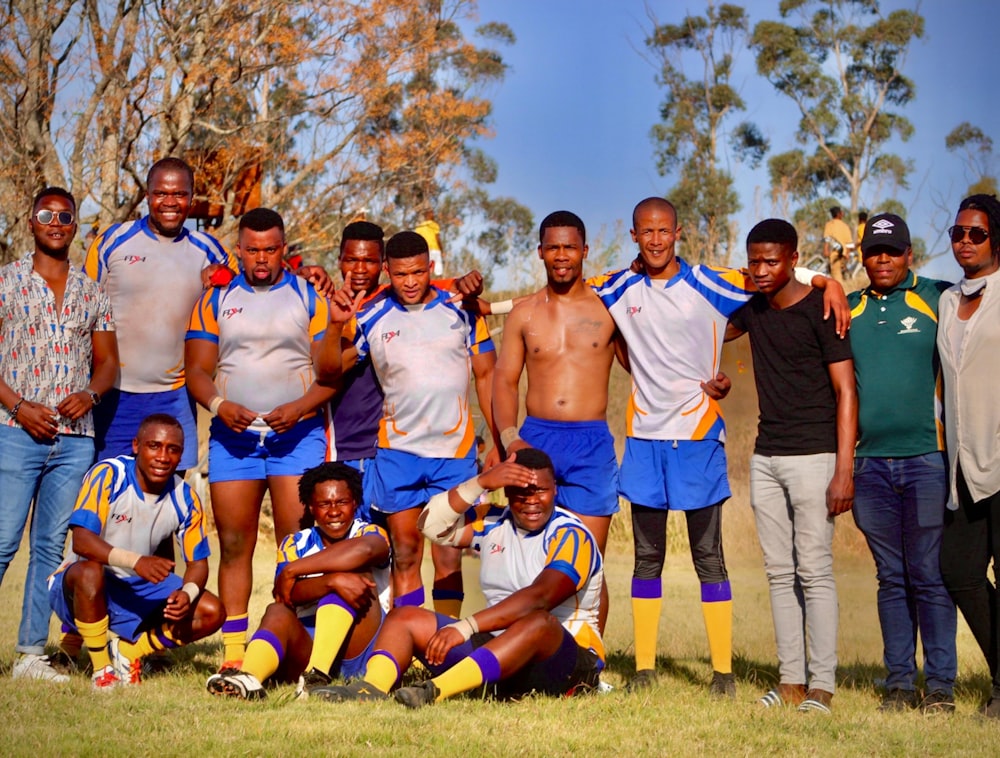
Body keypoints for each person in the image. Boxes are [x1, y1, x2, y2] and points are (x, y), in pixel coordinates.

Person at [591, 197, 848, 696]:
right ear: (633, 236)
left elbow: (778, 272)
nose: (656, 239)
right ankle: (644, 669)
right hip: (644, 439)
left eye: (665, 230)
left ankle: (723, 673)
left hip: (698, 438)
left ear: (679, 232)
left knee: (709, 556)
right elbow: (570, 292)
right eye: (647, 231)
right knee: (647, 558)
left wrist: (828, 280)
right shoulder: (617, 286)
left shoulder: (713, 282)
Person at [310, 447, 604, 707]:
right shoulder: (493, 521)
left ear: (555, 489)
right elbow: (430, 524)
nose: (531, 501)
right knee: (405, 618)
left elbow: (538, 598)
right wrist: (481, 482)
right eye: (521, 492)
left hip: (564, 660)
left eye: (540, 490)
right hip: (498, 652)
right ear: (507, 492)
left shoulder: (570, 534)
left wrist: (467, 626)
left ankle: (435, 691)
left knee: (538, 621)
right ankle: (371, 688)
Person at [318, 230, 500, 618]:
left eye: (418, 272)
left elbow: (487, 377)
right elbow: (331, 370)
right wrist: (335, 327)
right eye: (401, 275)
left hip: (454, 453)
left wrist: (499, 440)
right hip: (398, 453)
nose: (411, 282)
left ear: (430, 269)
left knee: (449, 555)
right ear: (388, 272)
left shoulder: (461, 308)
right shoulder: (371, 314)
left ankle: (446, 643)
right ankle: (408, 643)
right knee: (405, 552)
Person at [185, 207, 333, 669]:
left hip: (298, 436)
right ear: (239, 250)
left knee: (297, 545)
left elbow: (331, 375)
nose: (262, 258)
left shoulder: (310, 294)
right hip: (234, 440)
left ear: (283, 248)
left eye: (271, 249)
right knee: (234, 544)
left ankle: (288, 640)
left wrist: (300, 408)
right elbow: (196, 371)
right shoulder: (216, 295)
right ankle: (233, 652)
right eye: (252, 250)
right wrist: (219, 408)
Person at [727, 219, 856, 714]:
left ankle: (822, 685)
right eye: (754, 260)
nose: (761, 270)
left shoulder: (822, 310)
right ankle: (790, 683)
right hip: (766, 457)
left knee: (815, 571)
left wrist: (843, 469)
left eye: (771, 261)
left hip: (816, 457)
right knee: (780, 574)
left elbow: (847, 393)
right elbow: (706, 322)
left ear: (793, 258)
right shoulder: (754, 311)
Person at [0, 187, 118, 682]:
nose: (55, 222)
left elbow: (109, 363)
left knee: (49, 547)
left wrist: (90, 394)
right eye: (46, 214)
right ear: (30, 221)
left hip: (75, 440)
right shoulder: (5, 282)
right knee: (3, 541)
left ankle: (31, 653)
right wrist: (20, 407)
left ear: (74, 226)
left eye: (65, 216)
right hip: (14, 430)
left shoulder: (93, 292)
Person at [493, 211, 624, 632]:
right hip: (535, 440)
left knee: (590, 560)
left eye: (569, 247)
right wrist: (511, 440)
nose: (561, 256)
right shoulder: (524, 313)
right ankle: (535, 652)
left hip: (591, 442)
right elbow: (505, 382)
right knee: (536, 559)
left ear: (585, 251)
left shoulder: (610, 307)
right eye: (553, 247)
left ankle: (590, 660)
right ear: (541, 252)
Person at [848, 212, 956, 712]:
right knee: (890, 576)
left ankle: (940, 687)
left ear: (909, 254)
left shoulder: (937, 296)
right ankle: (898, 684)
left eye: (892, 251)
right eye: (874, 252)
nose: (883, 259)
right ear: (864, 256)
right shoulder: (847, 308)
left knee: (928, 574)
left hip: (925, 460)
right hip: (868, 466)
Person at [47, 414, 224, 688]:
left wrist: (186, 595)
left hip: (136, 587)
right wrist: (136, 561)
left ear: (181, 456)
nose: (163, 457)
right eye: (154, 446)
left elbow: (198, 564)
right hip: (80, 584)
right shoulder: (109, 474)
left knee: (212, 610)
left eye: (173, 449)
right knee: (91, 571)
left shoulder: (186, 497)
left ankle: (131, 652)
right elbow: (82, 540)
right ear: (136, 445)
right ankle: (103, 671)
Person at [85, 157, 236, 473]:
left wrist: (307, 274)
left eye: (179, 194)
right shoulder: (112, 242)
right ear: (147, 196)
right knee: (107, 490)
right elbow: (82, 310)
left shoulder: (209, 249)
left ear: (191, 199)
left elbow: (258, 288)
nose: (170, 202)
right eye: (161, 193)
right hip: (113, 395)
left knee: (170, 495)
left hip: (174, 395)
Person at [206, 462, 391, 700]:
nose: (333, 511)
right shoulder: (295, 544)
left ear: (355, 503)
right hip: (308, 645)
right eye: (324, 504)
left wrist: (294, 571)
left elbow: (365, 550)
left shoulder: (370, 533)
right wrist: (331, 581)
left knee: (353, 578)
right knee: (277, 611)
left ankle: (318, 675)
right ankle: (247, 677)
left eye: (342, 502)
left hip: (361, 646)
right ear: (311, 507)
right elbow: (286, 596)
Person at [937, 193, 1000, 718]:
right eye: (957, 233)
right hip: (962, 465)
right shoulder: (945, 300)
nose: (964, 242)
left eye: (976, 234)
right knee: (958, 571)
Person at [823, 206, 854, 284]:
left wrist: (826, 250)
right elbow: (849, 243)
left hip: (834, 252)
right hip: (844, 253)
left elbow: (827, 239)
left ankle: (840, 291)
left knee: (836, 274)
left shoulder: (829, 224)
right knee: (840, 273)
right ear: (839, 214)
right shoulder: (845, 226)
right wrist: (847, 253)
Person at [414, 211, 444, 277]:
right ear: (428, 215)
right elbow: (437, 238)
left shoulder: (420, 226)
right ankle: (439, 284)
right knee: (438, 269)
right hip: (434, 248)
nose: (433, 215)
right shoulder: (434, 225)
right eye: (432, 213)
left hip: (424, 250)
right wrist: (442, 250)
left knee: (426, 268)